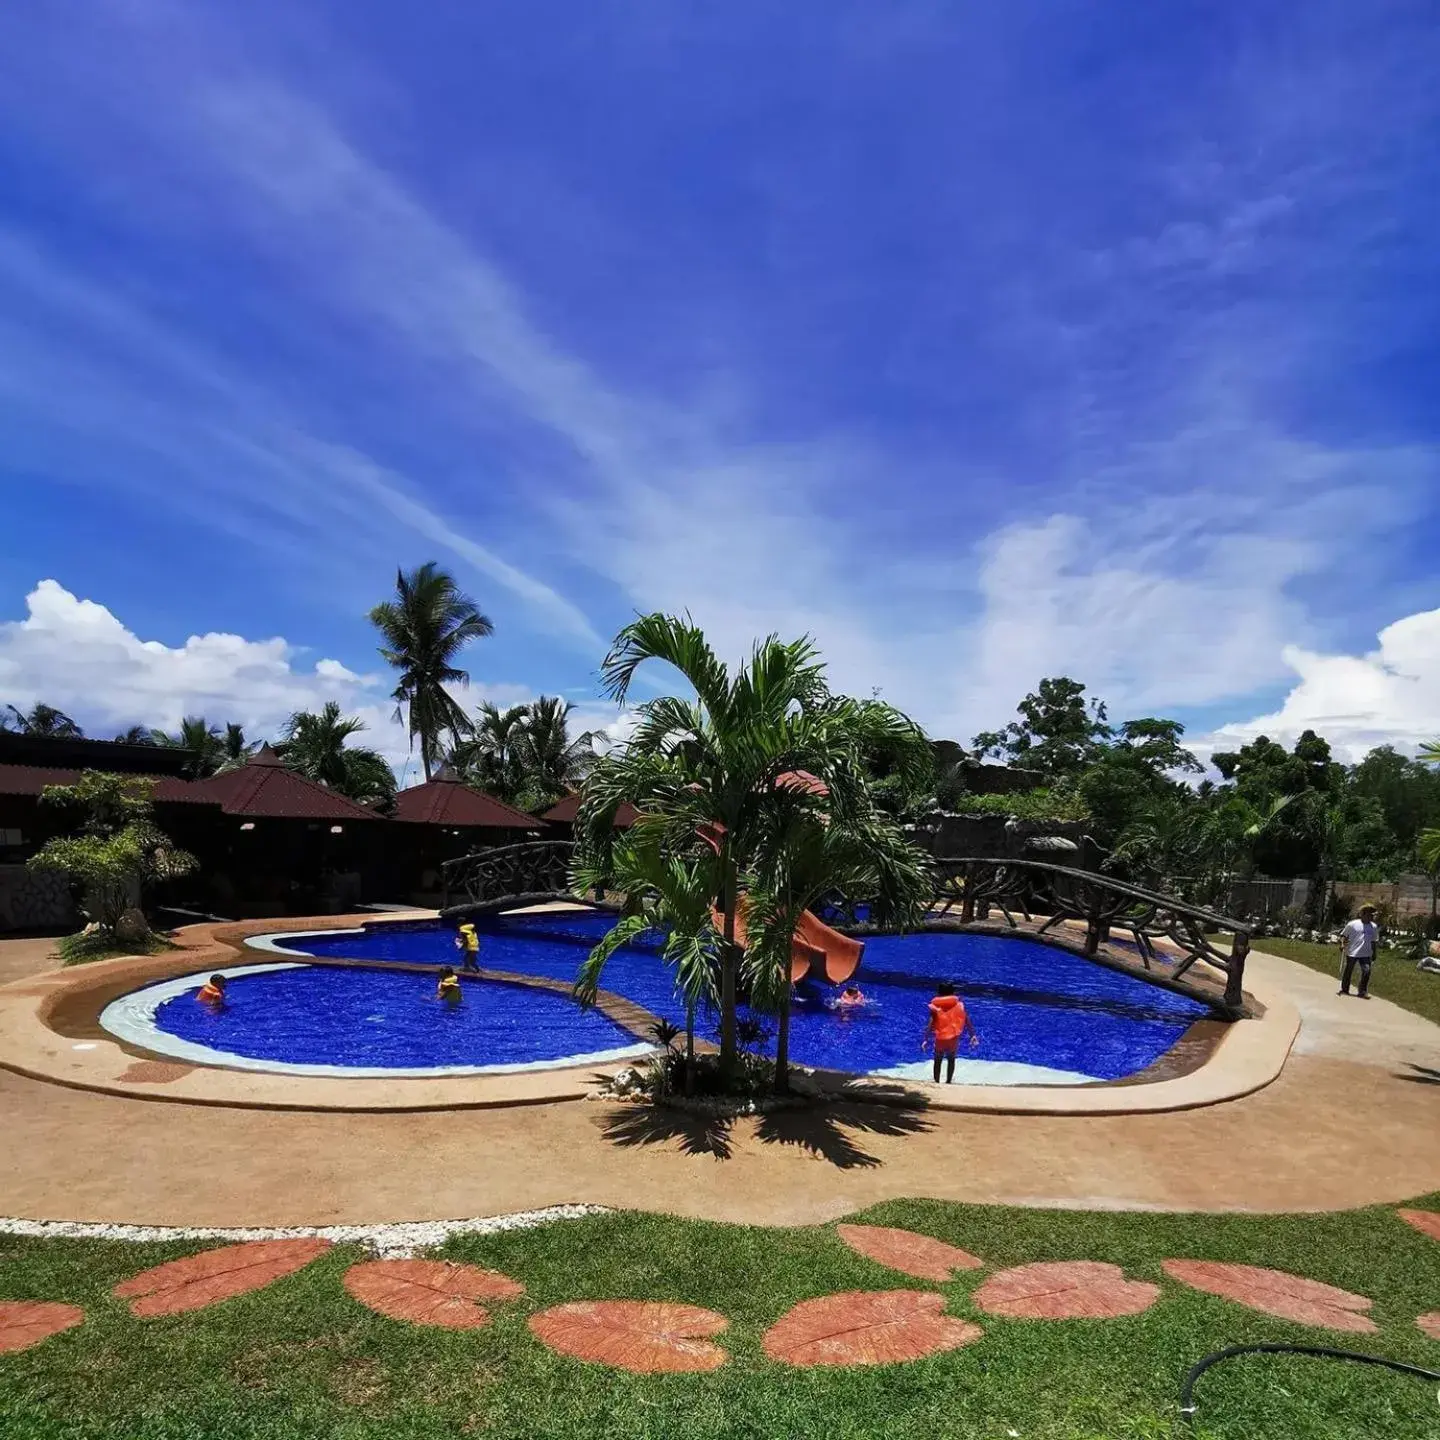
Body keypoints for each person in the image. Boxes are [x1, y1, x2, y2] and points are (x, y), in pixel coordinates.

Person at [921, 981, 978, 1083]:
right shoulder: (959, 1005)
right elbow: (967, 1020)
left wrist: (925, 1039)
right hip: (953, 1037)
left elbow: (930, 1023)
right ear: (953, 993)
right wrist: (972, 1035)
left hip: (940, 1038)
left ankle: (937, 1081)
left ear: (939, 993)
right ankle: (948, 1081)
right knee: (951, 1060)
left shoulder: (935, 1007)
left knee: (938, 1060)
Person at [1338, 903, 1379, 998]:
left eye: (1372, 915)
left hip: (1366, 953)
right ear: (1363, 914)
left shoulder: (1373, 927)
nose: (1371, 917)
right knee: (1349, 970)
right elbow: (1343, 936)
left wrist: (1374, 953)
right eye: (1369, 914)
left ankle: (1362, 991)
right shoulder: (1352, 924)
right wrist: (1342, 944)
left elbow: (1374, 941)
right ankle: (1345, 989)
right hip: (1352, 952)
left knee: (1367, 971)